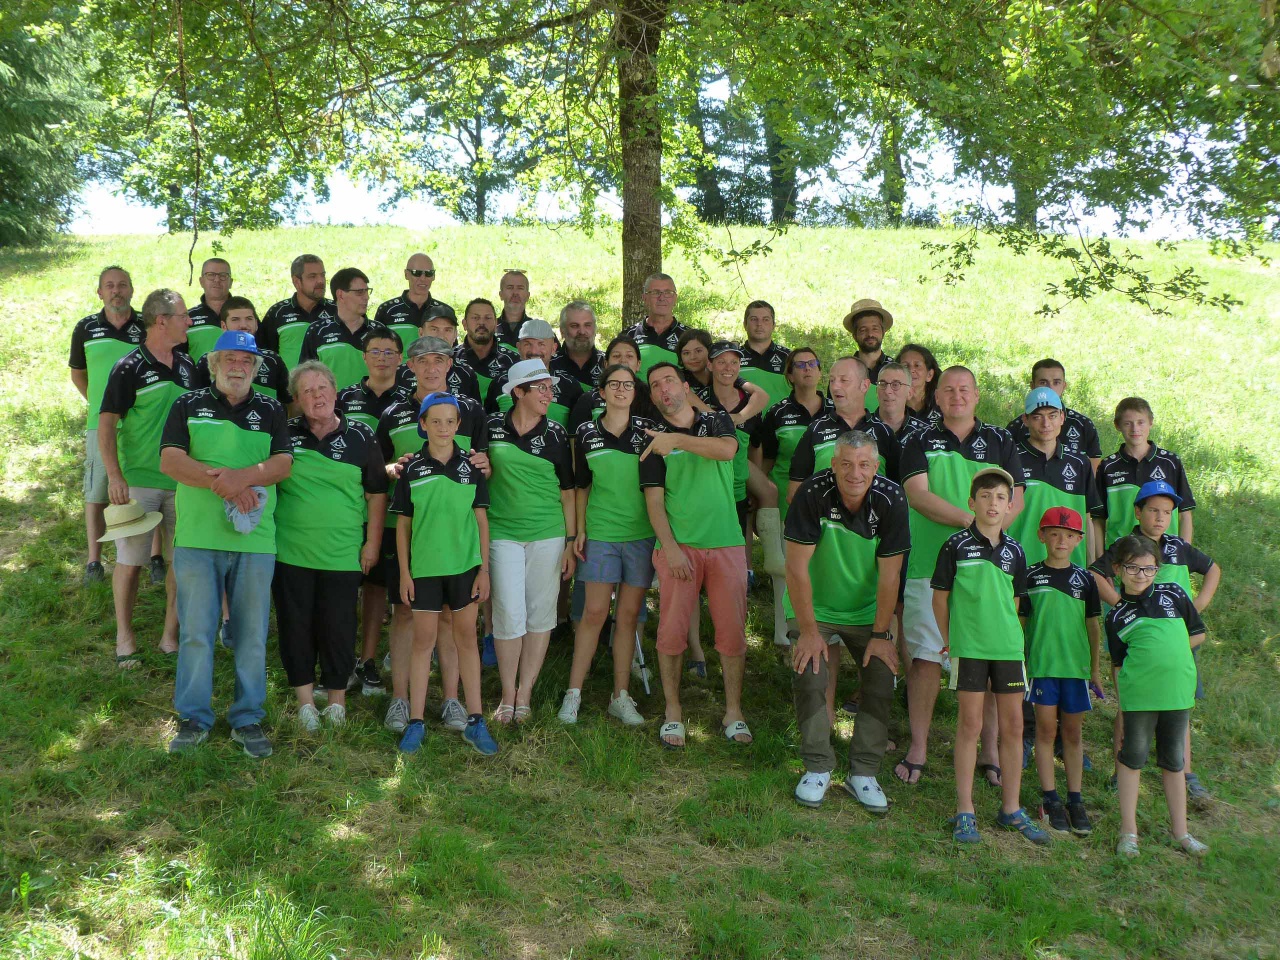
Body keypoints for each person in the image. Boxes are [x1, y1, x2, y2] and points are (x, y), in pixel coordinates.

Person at [161, 330, 292, 758]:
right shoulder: (187, 404)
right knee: (196, 633)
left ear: (255, 368)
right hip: (198, 538)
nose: (239, 366)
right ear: (215, 364)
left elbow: (282, 463)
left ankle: (247, 718)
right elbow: (171, 460)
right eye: (231, 359)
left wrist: (243, 478)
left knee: (251, 634)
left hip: (256, 542)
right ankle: (193, 719)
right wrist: (226, 485)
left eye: (247, 361)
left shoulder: (271, 409)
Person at [897, 366, 1025, 786]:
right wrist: (974, 525)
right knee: (926, 658)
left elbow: (1017, 499)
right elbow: (917, 495)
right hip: (928, 565)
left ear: (977, 394)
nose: (957, 396)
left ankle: (990, 750)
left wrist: (987, 539)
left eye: (964, 389)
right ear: (936, 396)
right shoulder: (917, 439)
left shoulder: (1001, 441)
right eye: (948, 390)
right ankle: (918, 746)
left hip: (987, 572)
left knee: (987, 657)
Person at [786, 431, 909, 812]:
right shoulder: (811, 493)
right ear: (833, 464)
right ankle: (817, 766)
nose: (855, 473)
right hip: (816, 608)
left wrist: (881, 633)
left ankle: (864, 772)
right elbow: (796, 568)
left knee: (881, 675)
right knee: (810, 672)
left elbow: (891, 575)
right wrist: (809, 631)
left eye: (864, 465)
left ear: (876, 466)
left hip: (867, 610)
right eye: (846, 464)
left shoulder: (892, 497)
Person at [375, 337, 491, 732]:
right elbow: (376, 468)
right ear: (410, 365)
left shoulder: (470, 410)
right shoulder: (392, 412)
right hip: (411, 534)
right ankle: (401, 700)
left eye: (439, 359)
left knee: (450, 622)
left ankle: (454, 700)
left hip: (456, 539)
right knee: (405, 614)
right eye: (422, 361)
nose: (431, 367)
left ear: (449, 364)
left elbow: (482, 466)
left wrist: (484, 464)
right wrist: (394, 468)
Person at [932, 468, 1048, 846]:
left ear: (1010, 505)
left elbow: (1015, 603)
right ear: (972, 502)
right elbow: (940, 598)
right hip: (969, 649)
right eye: (985, 496)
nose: (993, 503)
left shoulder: (1016, 550)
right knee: (970, 725)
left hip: (1008, 650)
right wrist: (949, 641)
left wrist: (1011, 640)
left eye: (1000, 497)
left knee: (1013, 727)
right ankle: (965, 810)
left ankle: (1010, 808)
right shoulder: (954, 546)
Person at [1090, 479, 1220, 807]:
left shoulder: (1177, 546)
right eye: (1153, 511)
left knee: (1179, 704)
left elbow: (1213, 569)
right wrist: (1121, 605)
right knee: (1130, 702)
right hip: (1139, 638)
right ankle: (1121, 770)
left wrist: (1197, 606)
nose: (1160, 518)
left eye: (1167, 512)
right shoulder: (1127, 545)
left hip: (1178, 636)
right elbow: (1095, 573)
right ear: (1138, 512)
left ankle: (1186, 773)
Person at [641, 362, 751, 749]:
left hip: (726, 544)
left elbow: (727, 450)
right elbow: (654, 503)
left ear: (685, 387)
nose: (664, 389)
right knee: (671, 634)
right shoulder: (652, 439)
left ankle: (733, 711)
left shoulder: (715, 421)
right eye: (656, 385)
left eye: (669, 381)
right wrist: (670, 549)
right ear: (653, 396)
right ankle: (673, 710)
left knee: (732, 633)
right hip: (680, 549)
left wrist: (678, 440)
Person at [273, 361, 387, 731]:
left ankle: (337, 701)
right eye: (307, 391)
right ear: (296, 399)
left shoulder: (361, 436)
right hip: (291, 552)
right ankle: (306, 703)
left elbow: (376, 494)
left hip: (343, 553)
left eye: (322, 387)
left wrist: (372, 544)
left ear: (336, 392)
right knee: (296, 626)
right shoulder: (283, 433)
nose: (316, 395)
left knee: (339, 627)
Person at [394, 392, 499, 756]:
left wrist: (484, 570)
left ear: (458, 425)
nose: (443, 428)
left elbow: (481, 522)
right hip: (424, 570)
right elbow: (402, 526)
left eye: (449, 421)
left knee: (466, 639)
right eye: (435, 421)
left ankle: (476, 720)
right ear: (423, 424)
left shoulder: (472, 468)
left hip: (465, 568)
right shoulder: (411, 470)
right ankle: (416, 721)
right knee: (423, 643)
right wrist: (405, 573)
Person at [98, 289, 195, 666]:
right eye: (183, 316)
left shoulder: (188, 365)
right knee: (130, 561)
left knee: (181, 562)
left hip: (182, 483)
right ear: (161, 321)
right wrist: (114, 475)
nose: (189, 322)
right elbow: (107, 425)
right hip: (138, 481)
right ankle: (124, 638)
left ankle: (170, 636)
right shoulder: (129, 367)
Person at [558, 364, 655, 726]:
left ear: (635, 391)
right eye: (613, 384)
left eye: (627, 384)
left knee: (627, 617)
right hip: (600, 534)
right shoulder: (586, 432)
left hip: (641, 536)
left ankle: (621, 696)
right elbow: (581, 486)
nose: (620, 390)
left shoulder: (648, 432)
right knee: (594, 613)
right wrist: (580, 530)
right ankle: (573, 693)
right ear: (601, 392)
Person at [485, 358, 577, 724]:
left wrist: (570, 541)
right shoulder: (491, 426)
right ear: (518, 392)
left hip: (548, 533)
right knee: (508, 613)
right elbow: (477, 469)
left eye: (550, 388)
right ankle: (506, 694)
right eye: (541, 388)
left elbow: (568, 491)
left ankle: (525, 694)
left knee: (541, 613)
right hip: (501, 532)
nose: (549, 394)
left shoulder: (556, 433)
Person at [1106, 534, 1209, 857]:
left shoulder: (1175, 594)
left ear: (1158, 569)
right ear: (1118, 569)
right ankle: (1128, 833)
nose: (1142, 575)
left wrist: (1171, 653)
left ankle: (1181, 833)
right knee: (1132, 759)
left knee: (1175, 762)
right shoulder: (1116, 616)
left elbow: (1198, 633)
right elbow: (1119, 665)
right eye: (1133, 568)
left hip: (1177, 694)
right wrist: (1122, 707)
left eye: (1149, 569)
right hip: (1140, 699)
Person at [1020, 507, 1102, 836]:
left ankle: (1075, 799)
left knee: (1072, 734)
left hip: (1075, 670)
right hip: (1042, 667)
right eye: (1054, 534)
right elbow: (1021, 623)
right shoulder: (1029, 576)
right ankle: (1050, 798)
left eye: (1069, 535)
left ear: (1079, 540)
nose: (1061, 541)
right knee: (1044, 732)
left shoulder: (1086, 580)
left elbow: (1093, 627)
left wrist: (1094, 670)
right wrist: (1021, 662)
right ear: (1041, 536)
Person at [69, 265, 145, 585]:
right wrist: (100, 408)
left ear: (131, 290)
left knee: (145, 488)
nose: (117, 291)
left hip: (142, 423)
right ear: (100, 292)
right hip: (100, 425)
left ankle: (151, 557)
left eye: (122, 285)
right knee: (97, 491)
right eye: (110, 286)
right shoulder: (85, 327)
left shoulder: (146, 326)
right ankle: (94, 561)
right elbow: (78, 374)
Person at [1008, 387, 1104, 568]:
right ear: (1025, 420)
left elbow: (1087, 518)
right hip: (1021, 565)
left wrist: (1092, 566)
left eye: (1052, 416)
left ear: (1062, 417)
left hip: (1070, 568)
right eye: (1037, 417)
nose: (1046, 424)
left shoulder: (1080, 462)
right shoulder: (1011, 459)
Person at [787, 356, 900, 499]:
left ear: (864, 385)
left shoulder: (884, 433)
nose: (835, 387)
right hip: (823, 513)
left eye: (844, 380)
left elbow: (898, 493)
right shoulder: (815, 430)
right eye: (832, 380)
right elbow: (794, 494)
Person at [1097, 397, 1195, 546]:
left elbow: (1185, 514)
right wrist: (1099, 557)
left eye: (1140, 422)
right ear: (1117, 425)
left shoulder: (1170, 462)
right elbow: (1098, 519)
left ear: (1151, 422)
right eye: (1128, 423)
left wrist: (1184, 553)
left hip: (1164, 553)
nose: (1135, 429)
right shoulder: (1108, 467)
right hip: (1121, 553)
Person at [757, 347, 830, 520]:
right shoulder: (777, 413)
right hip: (787, 501)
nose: (807, 368)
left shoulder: (836, 411)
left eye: (812, 363)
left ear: (819, 372)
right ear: (790, 376)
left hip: (828, 500)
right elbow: (767, 461)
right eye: (800, 365)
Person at [298, 267, 392, 390]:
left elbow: (391, 375)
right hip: (330, 402)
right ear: (340, 295)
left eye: (367, 291)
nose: (366, 297)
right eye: (360, 292)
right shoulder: (317, 331)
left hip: (372, 402)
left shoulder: (379, 331)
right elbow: (305, 378)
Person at [485, 318, 584, 427]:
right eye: (527, 344)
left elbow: (576, 434)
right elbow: (490, 427)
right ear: (518, 348)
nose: (534, 351)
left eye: (541, 344)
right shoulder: (501, 382)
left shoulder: (570, 386)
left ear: (553, 348)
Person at [1006, 359, 1102, 469]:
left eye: (1056, 382)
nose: (1050, 388)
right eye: (1043, 383)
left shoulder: (1083, 425)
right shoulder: (1016, 428)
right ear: (1032, 386)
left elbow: (1094, 469)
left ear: (1064, 386)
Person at [191, 297, 292, 403]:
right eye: (235, 319)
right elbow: (196, 401)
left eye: (249, 319)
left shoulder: (273, 360)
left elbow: (289, 403)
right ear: (223, 326)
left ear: (256, 324)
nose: (243, 325)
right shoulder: (209, 360)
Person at [258, 254, 336, 369]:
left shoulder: (336, 310)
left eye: (322, 275)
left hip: (329, 380)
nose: (321, 281)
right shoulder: (278, 313)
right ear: (296, 282)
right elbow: (266, 356)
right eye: (312, 276)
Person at [568, 335, 657, 433]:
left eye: (629, 356)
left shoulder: (650, 398)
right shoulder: (588, 400)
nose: (623, 360)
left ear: (638, 364)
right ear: (606, 364)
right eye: (616, 356)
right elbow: (575, 439)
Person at [374, 253, 457, 349]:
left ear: (434, 276)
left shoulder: (445, 311)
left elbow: (453, 349)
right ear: (406, 274)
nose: (423, 278)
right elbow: (375, 348)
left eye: (428, 273)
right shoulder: (387, 310)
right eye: (416, 273)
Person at [337, 330, 409, 433]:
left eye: (389, 353)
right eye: (375, 352)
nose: (381, 358)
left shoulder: (409, 400)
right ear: (364, 357)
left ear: (400, 358)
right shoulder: (343, 398)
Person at [622, 273, 689, 375]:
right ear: (645, 298)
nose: (661, 298)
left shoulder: (688, 336)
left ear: (675, 298)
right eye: (655, 292)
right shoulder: (628, 335)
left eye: (668, 292)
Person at [454, 297, 515, 399]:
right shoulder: (451, 359)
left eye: (488, 318)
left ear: (496, 324)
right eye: (475, 318)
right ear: (464, 324)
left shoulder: (512, 360)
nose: (481, 323)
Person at [843, 298, 894, 414]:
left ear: (883, 332)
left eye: (875, 329)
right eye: (863, 330)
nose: (870, 334)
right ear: (854, 335)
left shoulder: (896, 369)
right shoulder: (843, 370)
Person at [738, 300, 791, 409]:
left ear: (773, 325)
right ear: (745, 325)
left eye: (765, 319)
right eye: (754, 319)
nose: (759, 324)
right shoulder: (734, 357)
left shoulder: (789, 357)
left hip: (782, 418)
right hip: (743, 418)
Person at [184, 258, 234, 360]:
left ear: (231, 282)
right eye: (211, 275)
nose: (217, 280)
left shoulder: (245, 315)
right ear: (201, 281)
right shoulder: (188, 318)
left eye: (223, 275)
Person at [869, 360, 929, 441]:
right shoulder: (861, 429)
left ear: (909, 393)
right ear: (876, 391)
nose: (887, 391)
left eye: (895, 385)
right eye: (882, 384)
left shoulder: (925, 434)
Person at [550, 301, 606, 386]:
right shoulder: (549, 365)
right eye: (574, 326)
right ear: (562, 331)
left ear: (595, 329)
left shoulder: (608, 363)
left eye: (587, 325)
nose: (582, 332)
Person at [897, 342, 941, 424]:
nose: (911, 370)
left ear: (929, 375)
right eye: (905, 366)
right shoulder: (891, 406)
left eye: (917, 365)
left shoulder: (942, 405)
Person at [495, 269, 537, 352]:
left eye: (520, 288)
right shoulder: (489, 329)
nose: (515, 293)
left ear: (528, 295)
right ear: (501, 295)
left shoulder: (540, 330)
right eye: (510, 288)